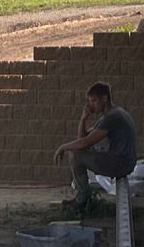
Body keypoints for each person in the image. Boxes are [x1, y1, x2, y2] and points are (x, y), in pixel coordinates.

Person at [53, 81, 137, 214]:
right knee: (77, 150)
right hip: (121, 160)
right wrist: (83, 119)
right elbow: (83, 139)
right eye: (89, 101)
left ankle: (82, 200)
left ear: (104, 99)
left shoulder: (113, 116)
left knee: (75, 154)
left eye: (93, 101)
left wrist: (62, 147)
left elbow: (85, 143)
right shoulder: (109, 115)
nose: (90, 105)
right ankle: (82, 197)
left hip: (121, 164)